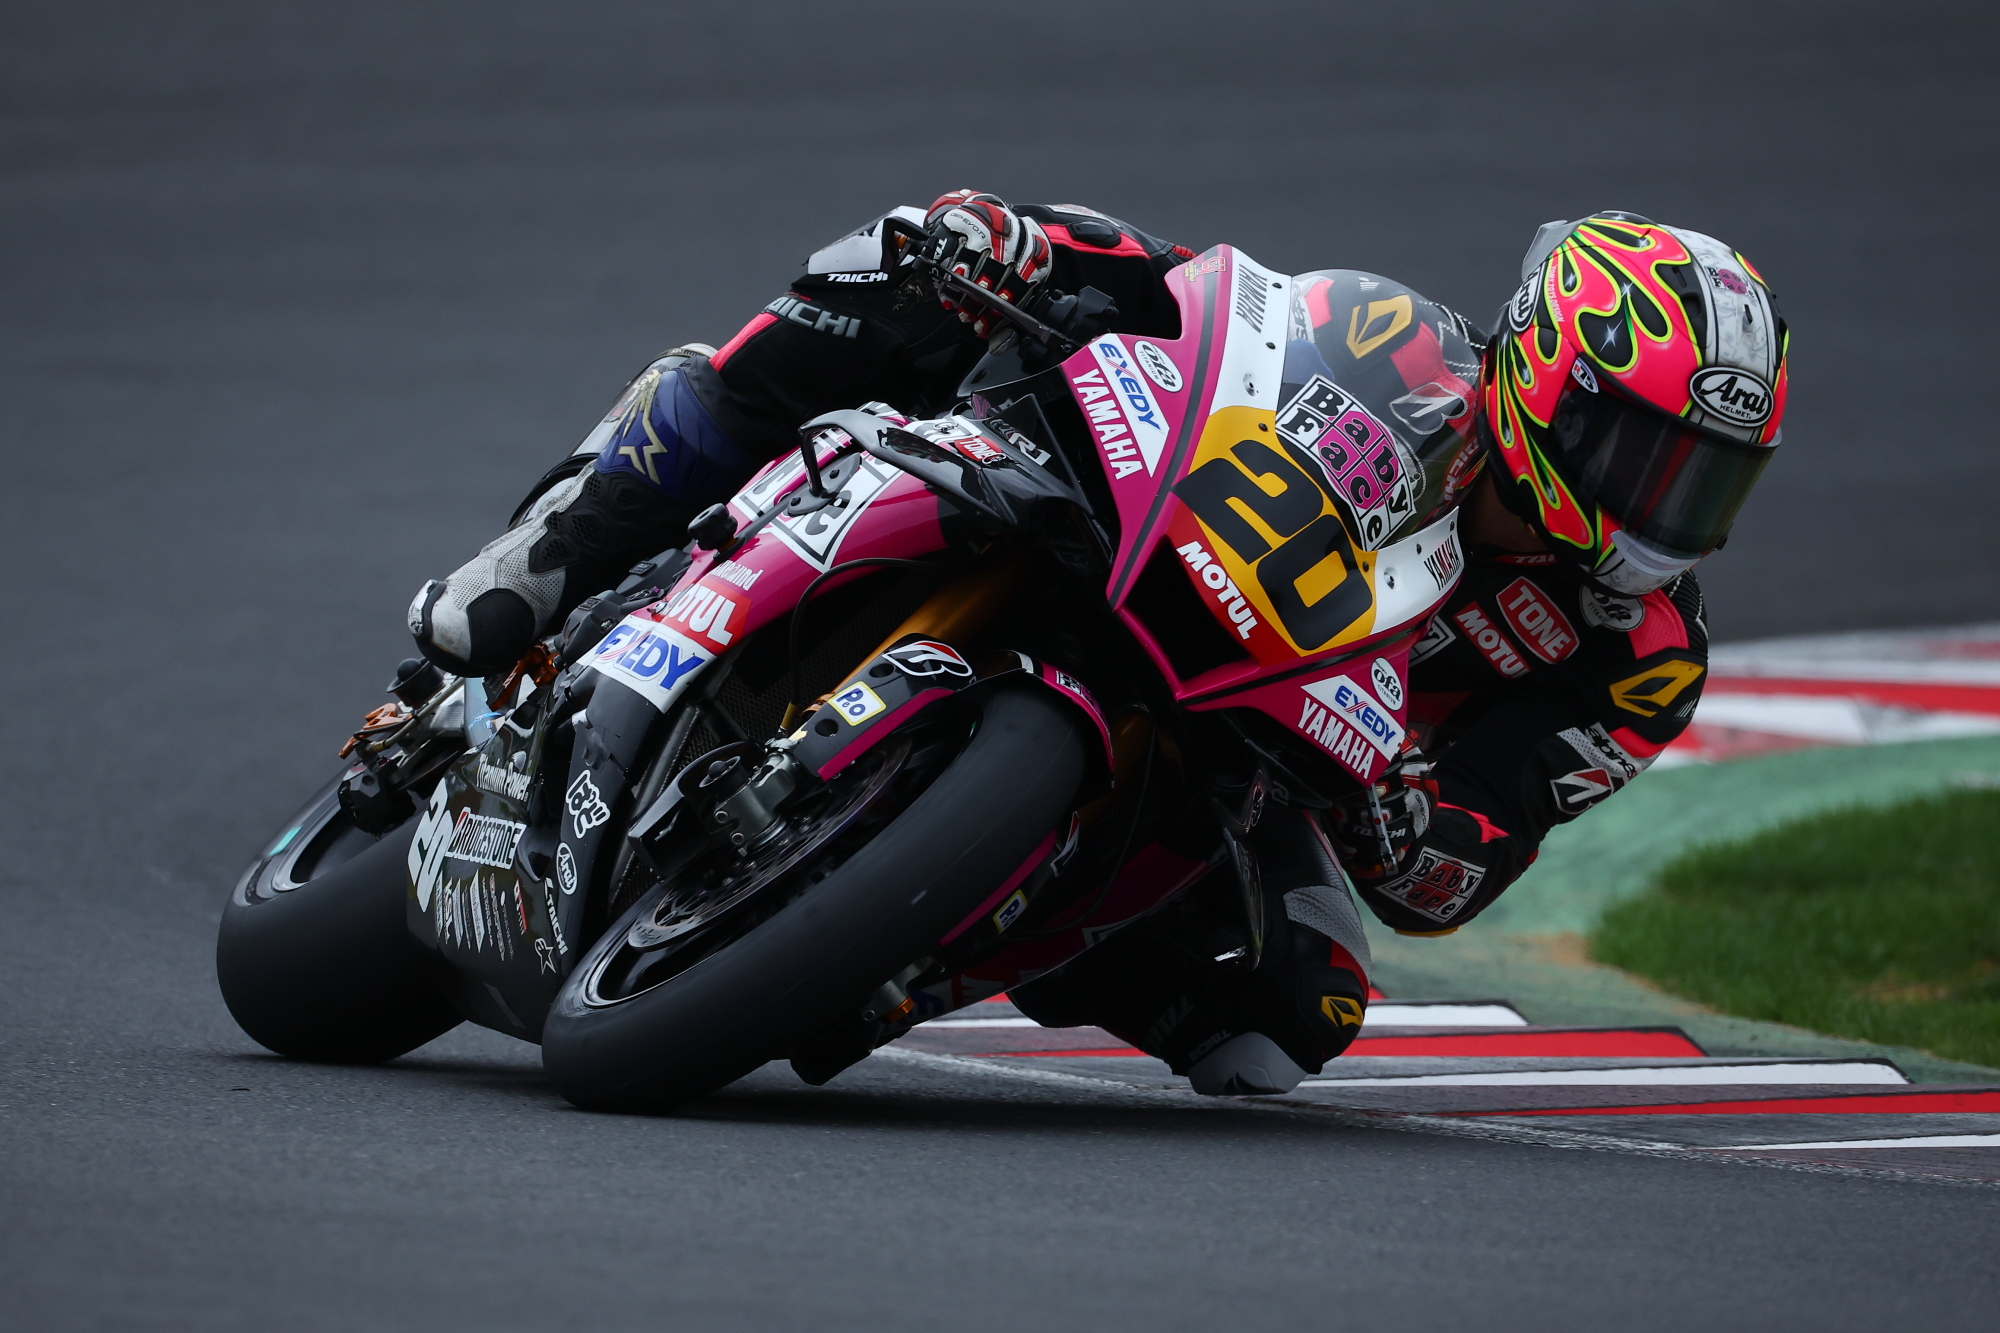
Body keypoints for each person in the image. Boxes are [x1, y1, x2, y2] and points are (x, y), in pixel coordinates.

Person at [408, 194, 1789, 1095]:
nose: (1667, 509)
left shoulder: (1643, 657)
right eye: (1647, 454)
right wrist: (1023, 248)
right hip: (1118, 518)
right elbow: (1201, 294)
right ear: (1548, 377)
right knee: (902, 272)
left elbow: (1466, 866)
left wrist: (1407, 825)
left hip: (1275, 751)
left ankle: (894, 942)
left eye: (1707, 481)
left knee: (1293, 1013)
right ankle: (564, 542)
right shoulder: (1398, 339)